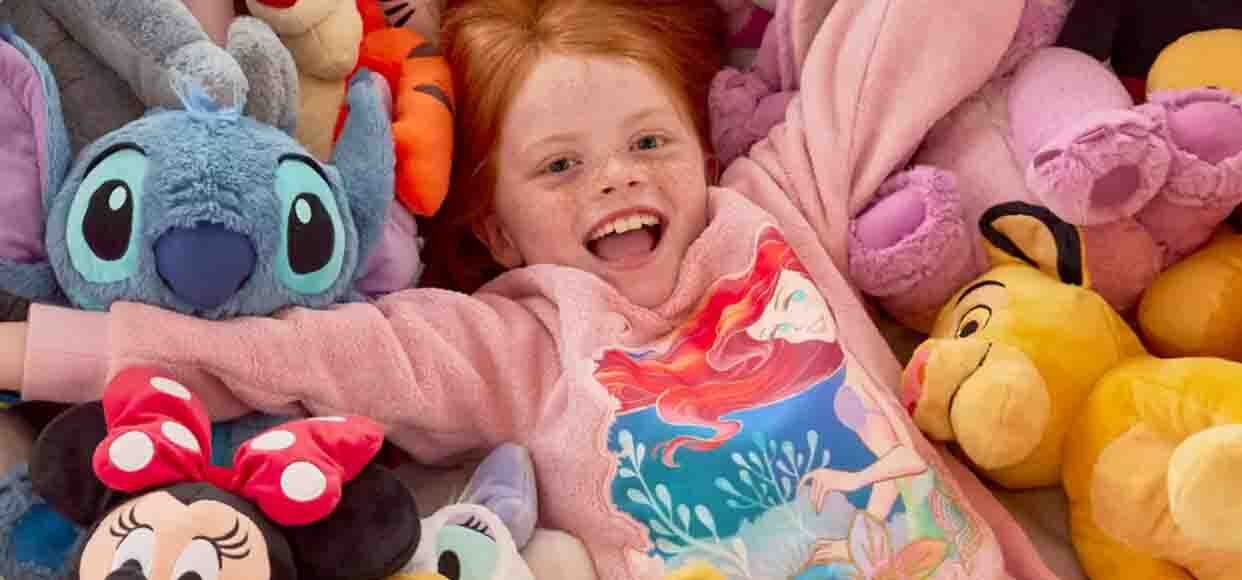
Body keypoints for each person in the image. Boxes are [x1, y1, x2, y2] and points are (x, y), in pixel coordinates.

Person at [0, 0, 1057, 578]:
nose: (620, 176)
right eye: (561, 166)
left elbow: (881, 59)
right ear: (498, 226)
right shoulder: (519, 340)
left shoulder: (770, 212)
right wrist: (40, 351)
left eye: (651, 141)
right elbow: (294, 354)